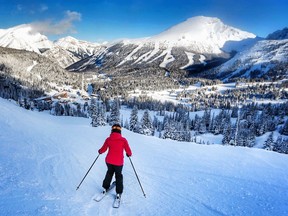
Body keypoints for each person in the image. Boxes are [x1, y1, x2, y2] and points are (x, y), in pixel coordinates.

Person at [98, 123, 132, 199]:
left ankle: (105, 188)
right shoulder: (123, 140)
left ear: (112, 130)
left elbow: (103, 149)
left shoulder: (108, 139)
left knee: (109, 173)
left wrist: (100, 151)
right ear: (120, 131)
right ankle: (118, 193)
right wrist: (128, 154)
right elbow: (129, 151)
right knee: (118, 175)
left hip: (109, 161)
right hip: (119, 163)